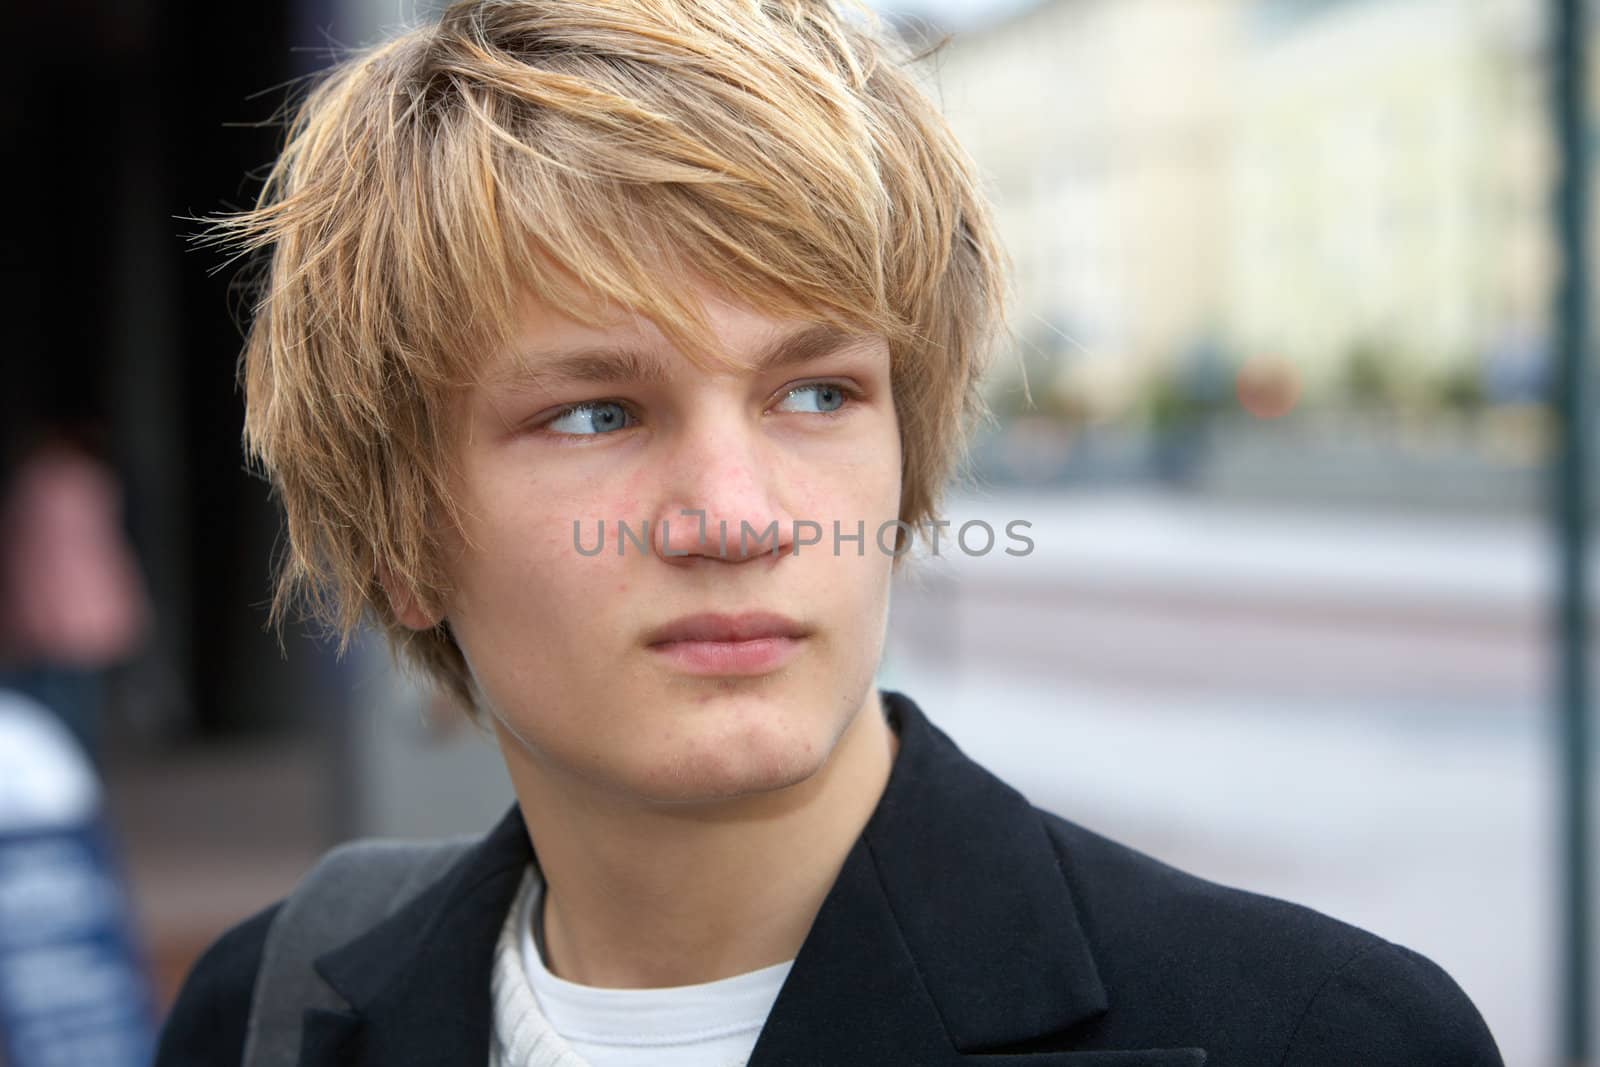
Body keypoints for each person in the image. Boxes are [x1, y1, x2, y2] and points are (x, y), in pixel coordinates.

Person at [154, 2, 1506, 1064]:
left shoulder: (1318, 1035)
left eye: (817, 392)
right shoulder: (264, 1015)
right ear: (399, 540)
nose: (737, 515)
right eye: (594, 413)